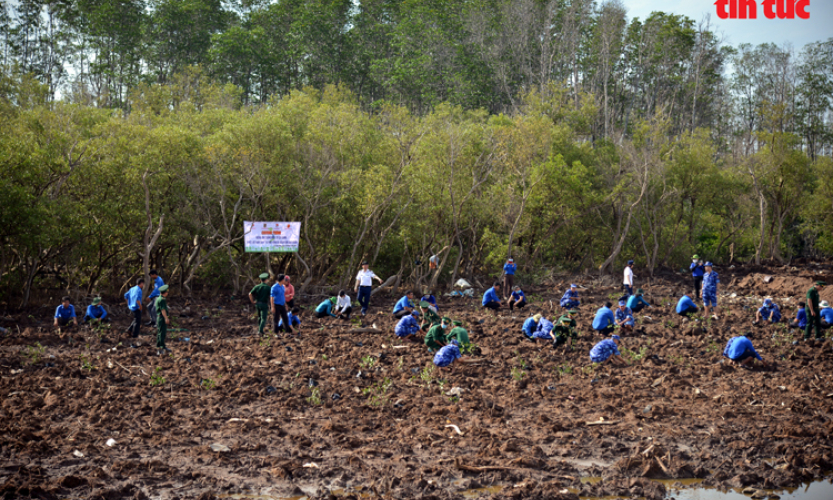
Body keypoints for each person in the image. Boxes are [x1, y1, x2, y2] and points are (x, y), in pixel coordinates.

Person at [155, 285, 171, 356]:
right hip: (161, 317)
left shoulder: (159, 298)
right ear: (165, 292)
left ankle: (162, 346)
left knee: (161, 332)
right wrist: (166, 318)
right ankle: (160, 348)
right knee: (161, 333)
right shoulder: (162, 299)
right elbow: (163, 310)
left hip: (160, 318)